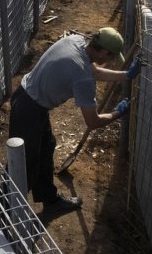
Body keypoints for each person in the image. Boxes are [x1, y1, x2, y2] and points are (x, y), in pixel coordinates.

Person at [9, 27, 143, 214]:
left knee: (46, 147)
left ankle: (50, 199)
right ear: (103, 52)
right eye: (111, 56)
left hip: (27, 97)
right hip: (30, 110)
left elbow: (94, 71)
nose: (111, 60)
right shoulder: (82, 77)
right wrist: (117, 113)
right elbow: (93, 121)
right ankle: (4, 215)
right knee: (24, 164)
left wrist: (126, 76)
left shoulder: (76, 41)